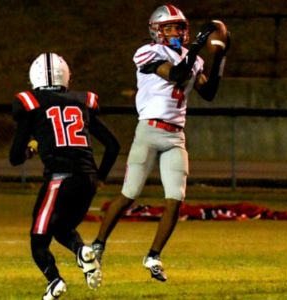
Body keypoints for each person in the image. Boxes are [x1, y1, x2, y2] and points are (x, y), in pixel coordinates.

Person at [91, 4, 230, 282]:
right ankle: (98, 245)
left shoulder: (195, 59)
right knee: (129, 195)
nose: (176, 32)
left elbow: (210, 92)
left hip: (176, 134)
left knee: (175, 200)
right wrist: (197, 48)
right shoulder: (147, 52)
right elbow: (176, 74)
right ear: (156, 30)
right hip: (149, 131)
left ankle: (153, 255)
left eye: (179, 27)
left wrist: (219, 58)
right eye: (169, 27)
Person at [9, 53, 120, 299]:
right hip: (87, 178)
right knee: (62, 227)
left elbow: (15, 157)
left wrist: (32, 147)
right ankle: (82, 252)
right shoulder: (82, 101)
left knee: (38, 239)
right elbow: (113, 145)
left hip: (59, 178)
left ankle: (54, 281)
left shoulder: (31, 103)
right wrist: (99, 177)